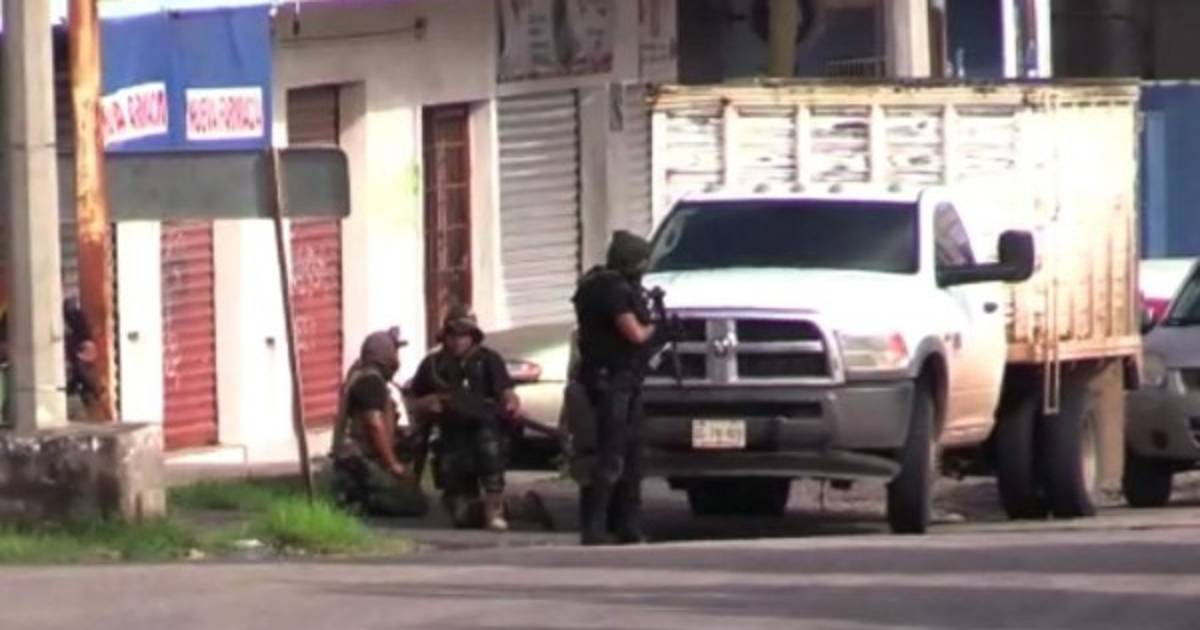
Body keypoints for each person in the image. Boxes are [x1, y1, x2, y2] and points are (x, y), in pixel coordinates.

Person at [408, 305, 547, 532]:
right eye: (452, 334)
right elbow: (413, 401)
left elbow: (506, 392)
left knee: (488, 441)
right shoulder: (433, 365)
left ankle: (498, 507)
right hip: (452, 441)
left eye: (464, 335)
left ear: (473, 336)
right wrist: (427, 404)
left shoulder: (489, 360)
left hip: (485, 435)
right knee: (461, 515)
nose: (458, 340)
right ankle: (522, 507)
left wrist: (511, 404)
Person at [571, 230, 659, 546]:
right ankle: (596, 527)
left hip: (619, 380)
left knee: (632, 457)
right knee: (612, 456)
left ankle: (627, 526)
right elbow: (634, 333)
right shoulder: (613, 289)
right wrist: (656, 329)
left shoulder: (596, 284)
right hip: (613, 382)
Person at [329, 327, 429, 517]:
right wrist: (392, 464)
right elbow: (374, 424)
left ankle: (360, 496)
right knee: (415, 504)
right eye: (395, 352)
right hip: (357, 460)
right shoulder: (370, 381)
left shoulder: (360, 376)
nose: (397, 359)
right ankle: (361, 500)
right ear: (385, 356)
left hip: (355, 459)